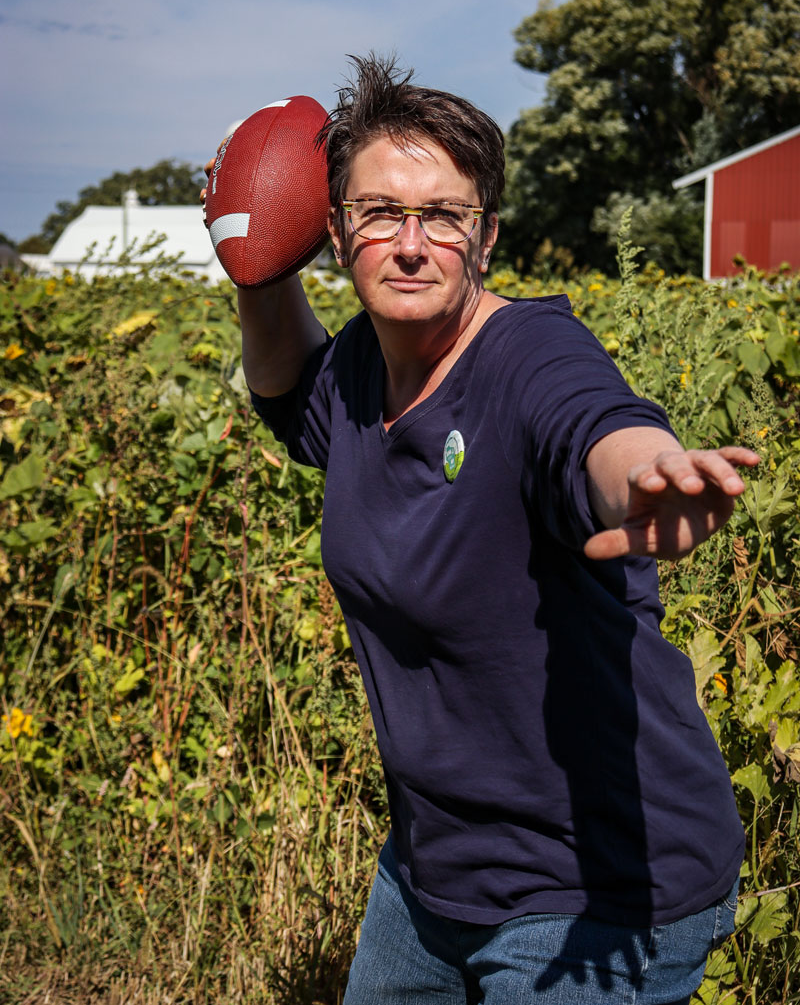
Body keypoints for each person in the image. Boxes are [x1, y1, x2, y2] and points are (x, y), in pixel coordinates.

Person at [204, 55, 758, 1004]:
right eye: (379, 212)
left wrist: (647, 476)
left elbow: (594, 420)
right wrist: (257, 262)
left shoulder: (528, 355)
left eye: (444, 217)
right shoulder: (353, 373)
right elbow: (289, 394)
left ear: (487, 236)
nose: (411, 243)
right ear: (338, 235)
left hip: (596, 891)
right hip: (429, 877)